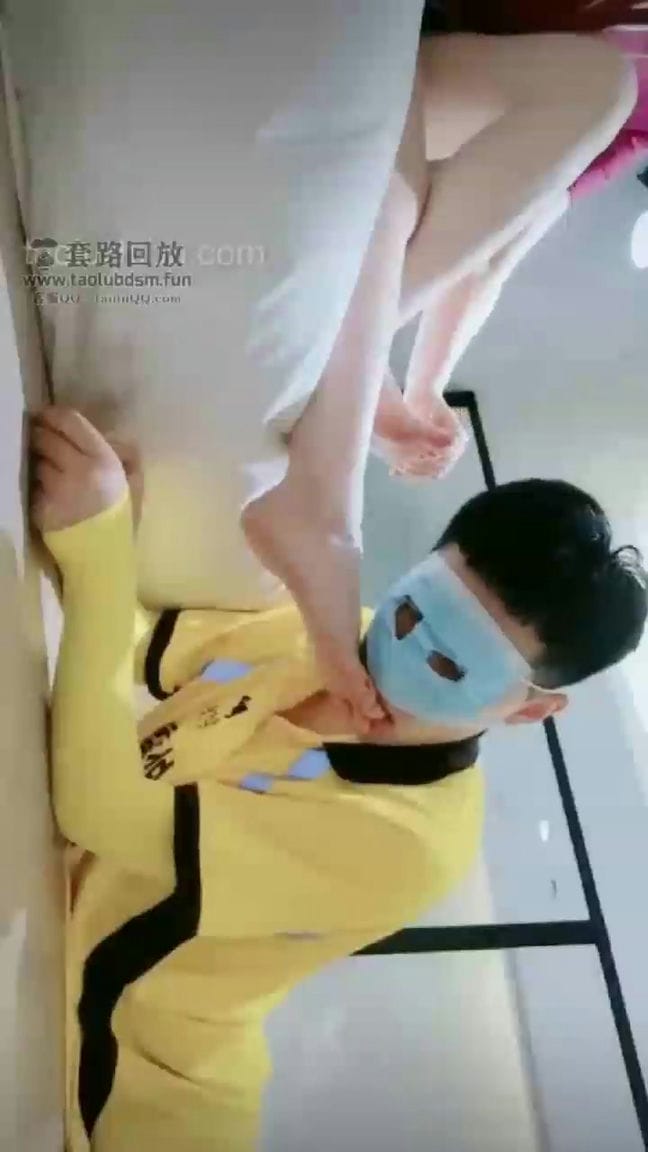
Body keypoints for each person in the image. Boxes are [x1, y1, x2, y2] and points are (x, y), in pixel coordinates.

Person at [32, 406, 646, 1152]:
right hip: (51, 937)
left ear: (530, 710)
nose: (405, 651)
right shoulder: (336, 630)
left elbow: (101, 810)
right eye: (412, 611)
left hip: (133, 1088)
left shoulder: (411, 842)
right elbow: (141, 644)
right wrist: (116, 527)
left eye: (453, 664)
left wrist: (97, 558)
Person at [243, 28, 638, 729]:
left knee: (407, 187)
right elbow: (493, 245)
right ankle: (345, 391)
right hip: (436, 91)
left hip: (437, 118)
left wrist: (423, 384)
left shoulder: (622, 123)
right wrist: (403, 379)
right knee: (600, 87)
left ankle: (346, 383)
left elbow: (497, 245)